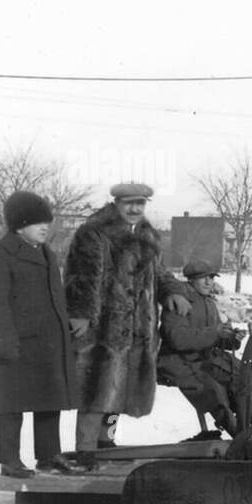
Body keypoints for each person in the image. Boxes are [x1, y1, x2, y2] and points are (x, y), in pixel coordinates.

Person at [65, 183, 190, 464]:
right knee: (96, 389)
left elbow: (159, 273)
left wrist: (173, 291)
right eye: (128, 203)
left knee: (121, 389)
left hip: (137, 329)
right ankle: (86, 449)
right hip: (102, 327)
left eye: (140, 203)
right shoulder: (94, 232)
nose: (135, 209)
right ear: (116, 203)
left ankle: (105, 441)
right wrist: (82, 312)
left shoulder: (148, 236)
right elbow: (81, 276)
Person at [0, 191, 84, 476]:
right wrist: (5, 341)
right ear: (19, 225)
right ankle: (9, 461)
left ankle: (48, 455)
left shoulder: (47, 253)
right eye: (37, 222)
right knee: (10, 404)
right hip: (15, 343)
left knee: (50, 401)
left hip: (48, 343)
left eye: (46, 222)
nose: (45, 227)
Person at [156, 259, 252, 437]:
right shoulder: (180, 301)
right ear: (191, 280)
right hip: (179, 362)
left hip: (207, 360)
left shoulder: (209, 303)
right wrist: (216, 332)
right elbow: (178, 339)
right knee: (215, 395)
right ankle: (241, 440)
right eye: (203, 278)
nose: (209, 282)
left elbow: (216, 336)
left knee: (248, 383)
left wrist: (231, 338)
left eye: (211, 277)